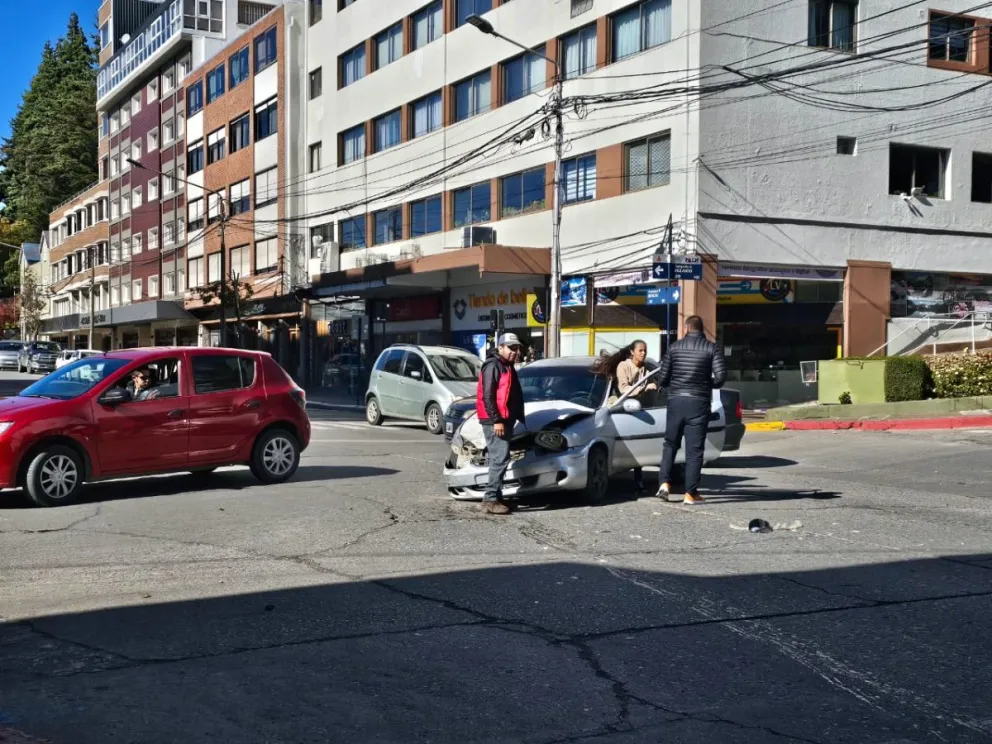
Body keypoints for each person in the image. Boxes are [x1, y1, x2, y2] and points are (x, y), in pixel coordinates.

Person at [655, 315, 726, 505]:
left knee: (670, 444)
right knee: (694, 450)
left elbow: (662, 377)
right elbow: (720, 377)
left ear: (686, 328)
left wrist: (672, 386)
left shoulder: (674, 347)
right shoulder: (712, 348)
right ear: (702, 329)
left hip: (676, 401)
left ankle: (664, 484)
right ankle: (690, 493)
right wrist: (705, 384)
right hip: (698, 403)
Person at [595, 340, 658, 492]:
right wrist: (644, 387)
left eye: (645, 350)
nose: (643, 353)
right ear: (632, 352)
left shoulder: (646, 369)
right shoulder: (623, 366)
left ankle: (638, 478)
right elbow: (624, 389)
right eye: (640, 350)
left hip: (638, 408)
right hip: (621, 407)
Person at [476, 333, 525, 515]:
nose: (515, 351)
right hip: (495, 420)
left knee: (498, 458)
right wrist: (497, 420)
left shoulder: (506, 365)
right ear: (501, 347)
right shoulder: (493, 365)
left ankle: (496, 497)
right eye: (511, 348)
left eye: (517, 348)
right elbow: (488, 395)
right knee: (500, 459)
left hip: (504, 419)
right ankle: (490, 500)